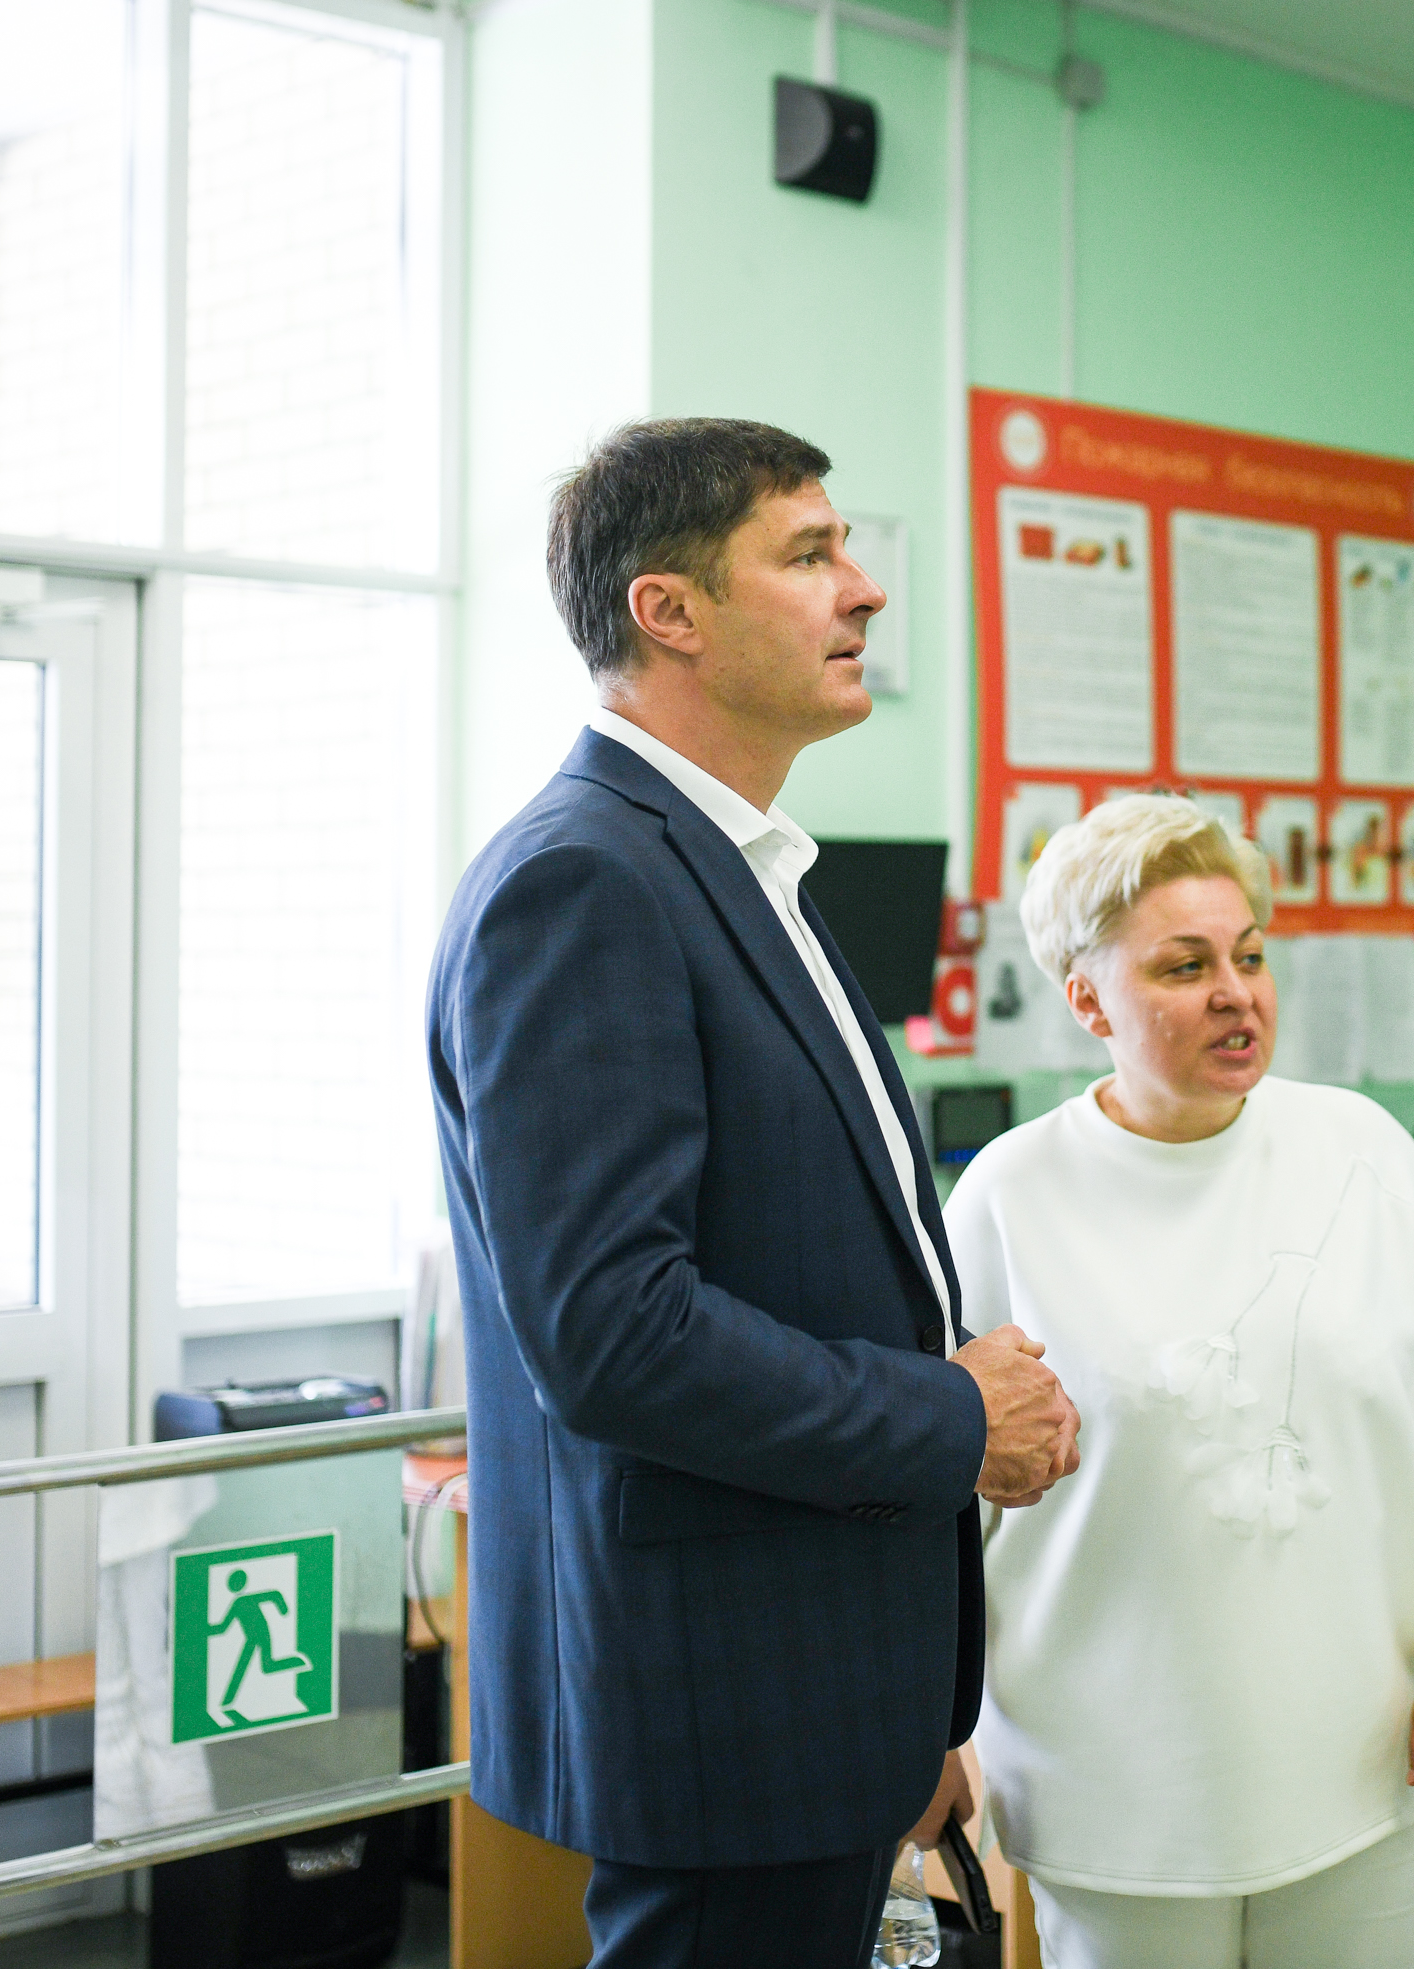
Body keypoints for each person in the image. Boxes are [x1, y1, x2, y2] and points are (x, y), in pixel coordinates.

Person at [428, 419, 1080, 1968]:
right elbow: (614, 1334)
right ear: (669, 611)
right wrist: (951, 1414)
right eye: (809, 554)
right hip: (721, 1694)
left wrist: (912, 1706)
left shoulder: (741, 868)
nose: (864, 589)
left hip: (819, 1674)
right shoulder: (585, 881)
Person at [945, 796, 1414, 1969]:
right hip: (1113, 1781)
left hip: (1364, 1759)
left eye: (1249, 955)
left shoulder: (1362, 1152)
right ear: (1087, 1001)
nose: (1236, 993)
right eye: (1184, 967)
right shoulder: (1008, 1197)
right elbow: (937, 1493)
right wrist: (928, 1729)